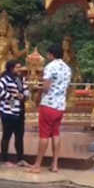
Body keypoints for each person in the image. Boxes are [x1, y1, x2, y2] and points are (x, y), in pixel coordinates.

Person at [28, 43, 71, 173]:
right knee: (56, 134)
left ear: (51, 54)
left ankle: (37, 165)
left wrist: (36, 87)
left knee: (44, 135)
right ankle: (55, 164)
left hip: (48, 104)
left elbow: (46, 87)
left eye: (48, 54)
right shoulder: (67, 68)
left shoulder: (50, 67)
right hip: (60, 105)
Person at [0, 59, 30, 167]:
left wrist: (24, 96)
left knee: (19, 136)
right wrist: (10, 96)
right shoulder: (6, 79)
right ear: (11, 68)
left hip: (19, 109)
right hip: (9, 108)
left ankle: (20, 158)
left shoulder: (20, 79)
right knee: (7, 135)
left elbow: (25, 89)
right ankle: (5, 159)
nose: (20, 69)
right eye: (17, 67)